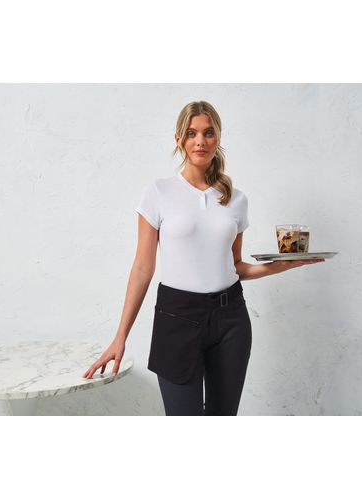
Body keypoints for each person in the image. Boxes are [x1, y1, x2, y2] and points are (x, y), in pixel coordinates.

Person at [83, 100, 324, 415]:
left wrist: (279, 266)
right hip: (176, 317)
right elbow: (142, 268)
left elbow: (235, 266)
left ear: (218, 138)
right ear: (179, 139)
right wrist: (120, 336)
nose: (200, 141)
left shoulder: (235, 199)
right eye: (191, 133)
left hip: (231, 319)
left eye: (208, 133)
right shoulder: (158, 193)